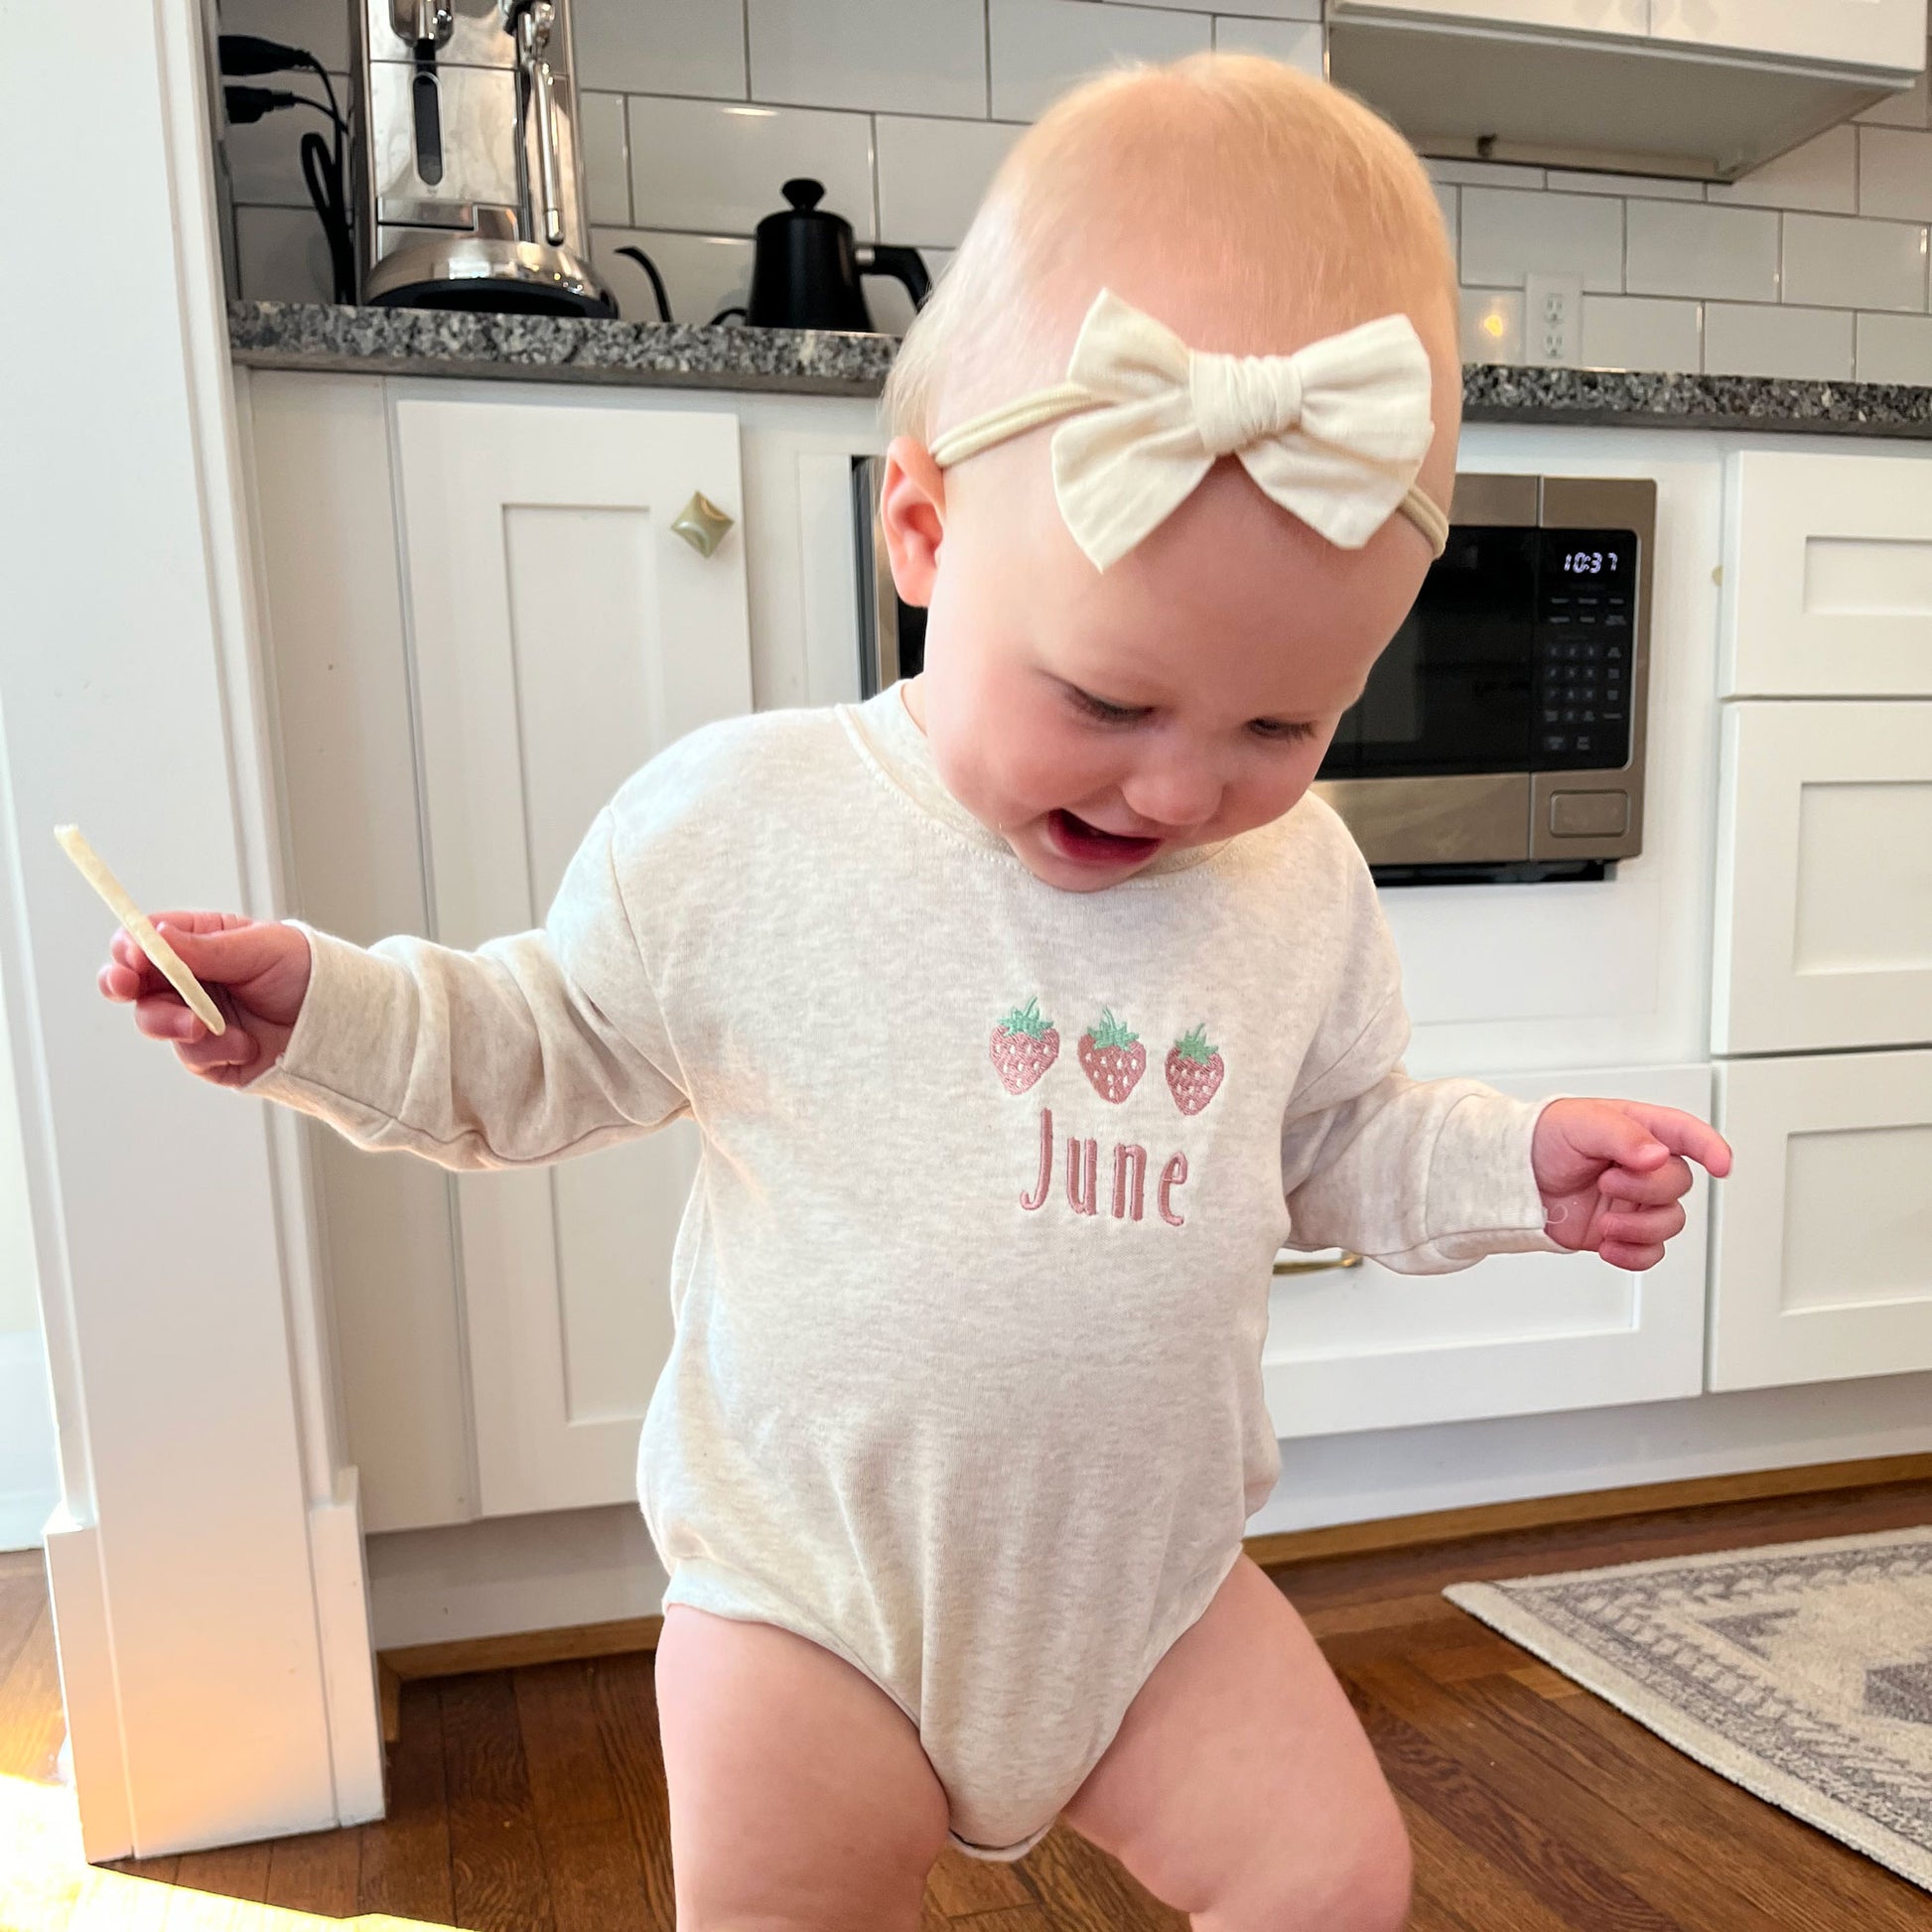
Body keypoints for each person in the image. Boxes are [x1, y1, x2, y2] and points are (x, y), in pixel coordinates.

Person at [96, 53, 1730, 1932]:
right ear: (925, 535)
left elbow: (1334, 1141)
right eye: (1108, 699)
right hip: (810, 1599)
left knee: (1332, 1877)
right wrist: (323, 1013)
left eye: (1281, 725)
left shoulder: (1294, 883)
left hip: (1149, 1596)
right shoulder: (744, 825)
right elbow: (533, 1043)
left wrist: (1520, 1165)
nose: (1179, 789)